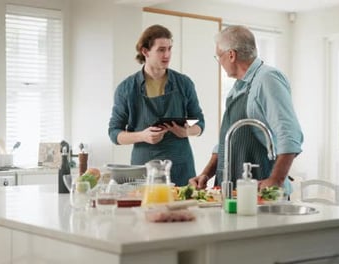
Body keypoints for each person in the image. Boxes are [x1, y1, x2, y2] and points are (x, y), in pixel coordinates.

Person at [188, 25, 303, 195]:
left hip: (261, 192)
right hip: (233, 191)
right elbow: (226, 142)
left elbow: (290, 134)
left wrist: (276, 180)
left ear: (231, 55)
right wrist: (205, 174)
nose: (219, 62)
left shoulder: (267, 78)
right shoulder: (237, 88)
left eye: (218, 56)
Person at [108, 24, 205, 187]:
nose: (167, 55)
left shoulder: (184, 83)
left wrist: (186, 131)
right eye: (161, 50)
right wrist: (142, 136)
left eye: (169, 49)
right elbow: (114, 133)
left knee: (183, 212)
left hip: (180, 167)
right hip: (144, 169)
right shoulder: (126, 89)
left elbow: (200, 123)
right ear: (145, 51)